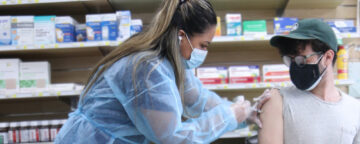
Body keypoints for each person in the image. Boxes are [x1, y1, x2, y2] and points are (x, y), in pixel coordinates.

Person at [55, 0, 270, 143]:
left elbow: (199, 99)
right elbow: (173, 139)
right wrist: (229, 116)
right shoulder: (149, 69)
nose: (204, 52)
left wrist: (243, 113)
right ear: (181, 35)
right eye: (203, 45)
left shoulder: (171, 62)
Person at [258, 18, 360, 144]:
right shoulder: (278, 99)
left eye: (301, 59)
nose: (295, 66)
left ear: (327, 57)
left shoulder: (354, 109)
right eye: (290, 60)